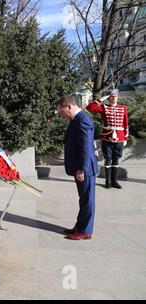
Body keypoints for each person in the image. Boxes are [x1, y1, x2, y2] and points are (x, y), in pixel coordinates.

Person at [56, 96, 98, 240]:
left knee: (87, 199)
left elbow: (86, 148)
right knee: (83, 199)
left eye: (61, 112)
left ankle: (85, 231)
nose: (61, 116)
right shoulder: (76, 120)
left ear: (69, 107)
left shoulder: (82, 121)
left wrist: (82, 169)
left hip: (85, 168)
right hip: (80, 167)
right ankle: (80, 226)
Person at [86, 89, 128, 189]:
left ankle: (115, 181)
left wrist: (125, 137)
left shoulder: (123, 108)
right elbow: (89, 107)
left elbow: (126, 123)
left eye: (115, 96)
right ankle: (107, 182)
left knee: (116, 159)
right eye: (111, 96)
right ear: (109, 98)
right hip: (107, 136)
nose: (113, 98)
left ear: (118, 97)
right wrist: (101, 99)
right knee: (108, 159)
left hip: (119, 137)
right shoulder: (104, 108)